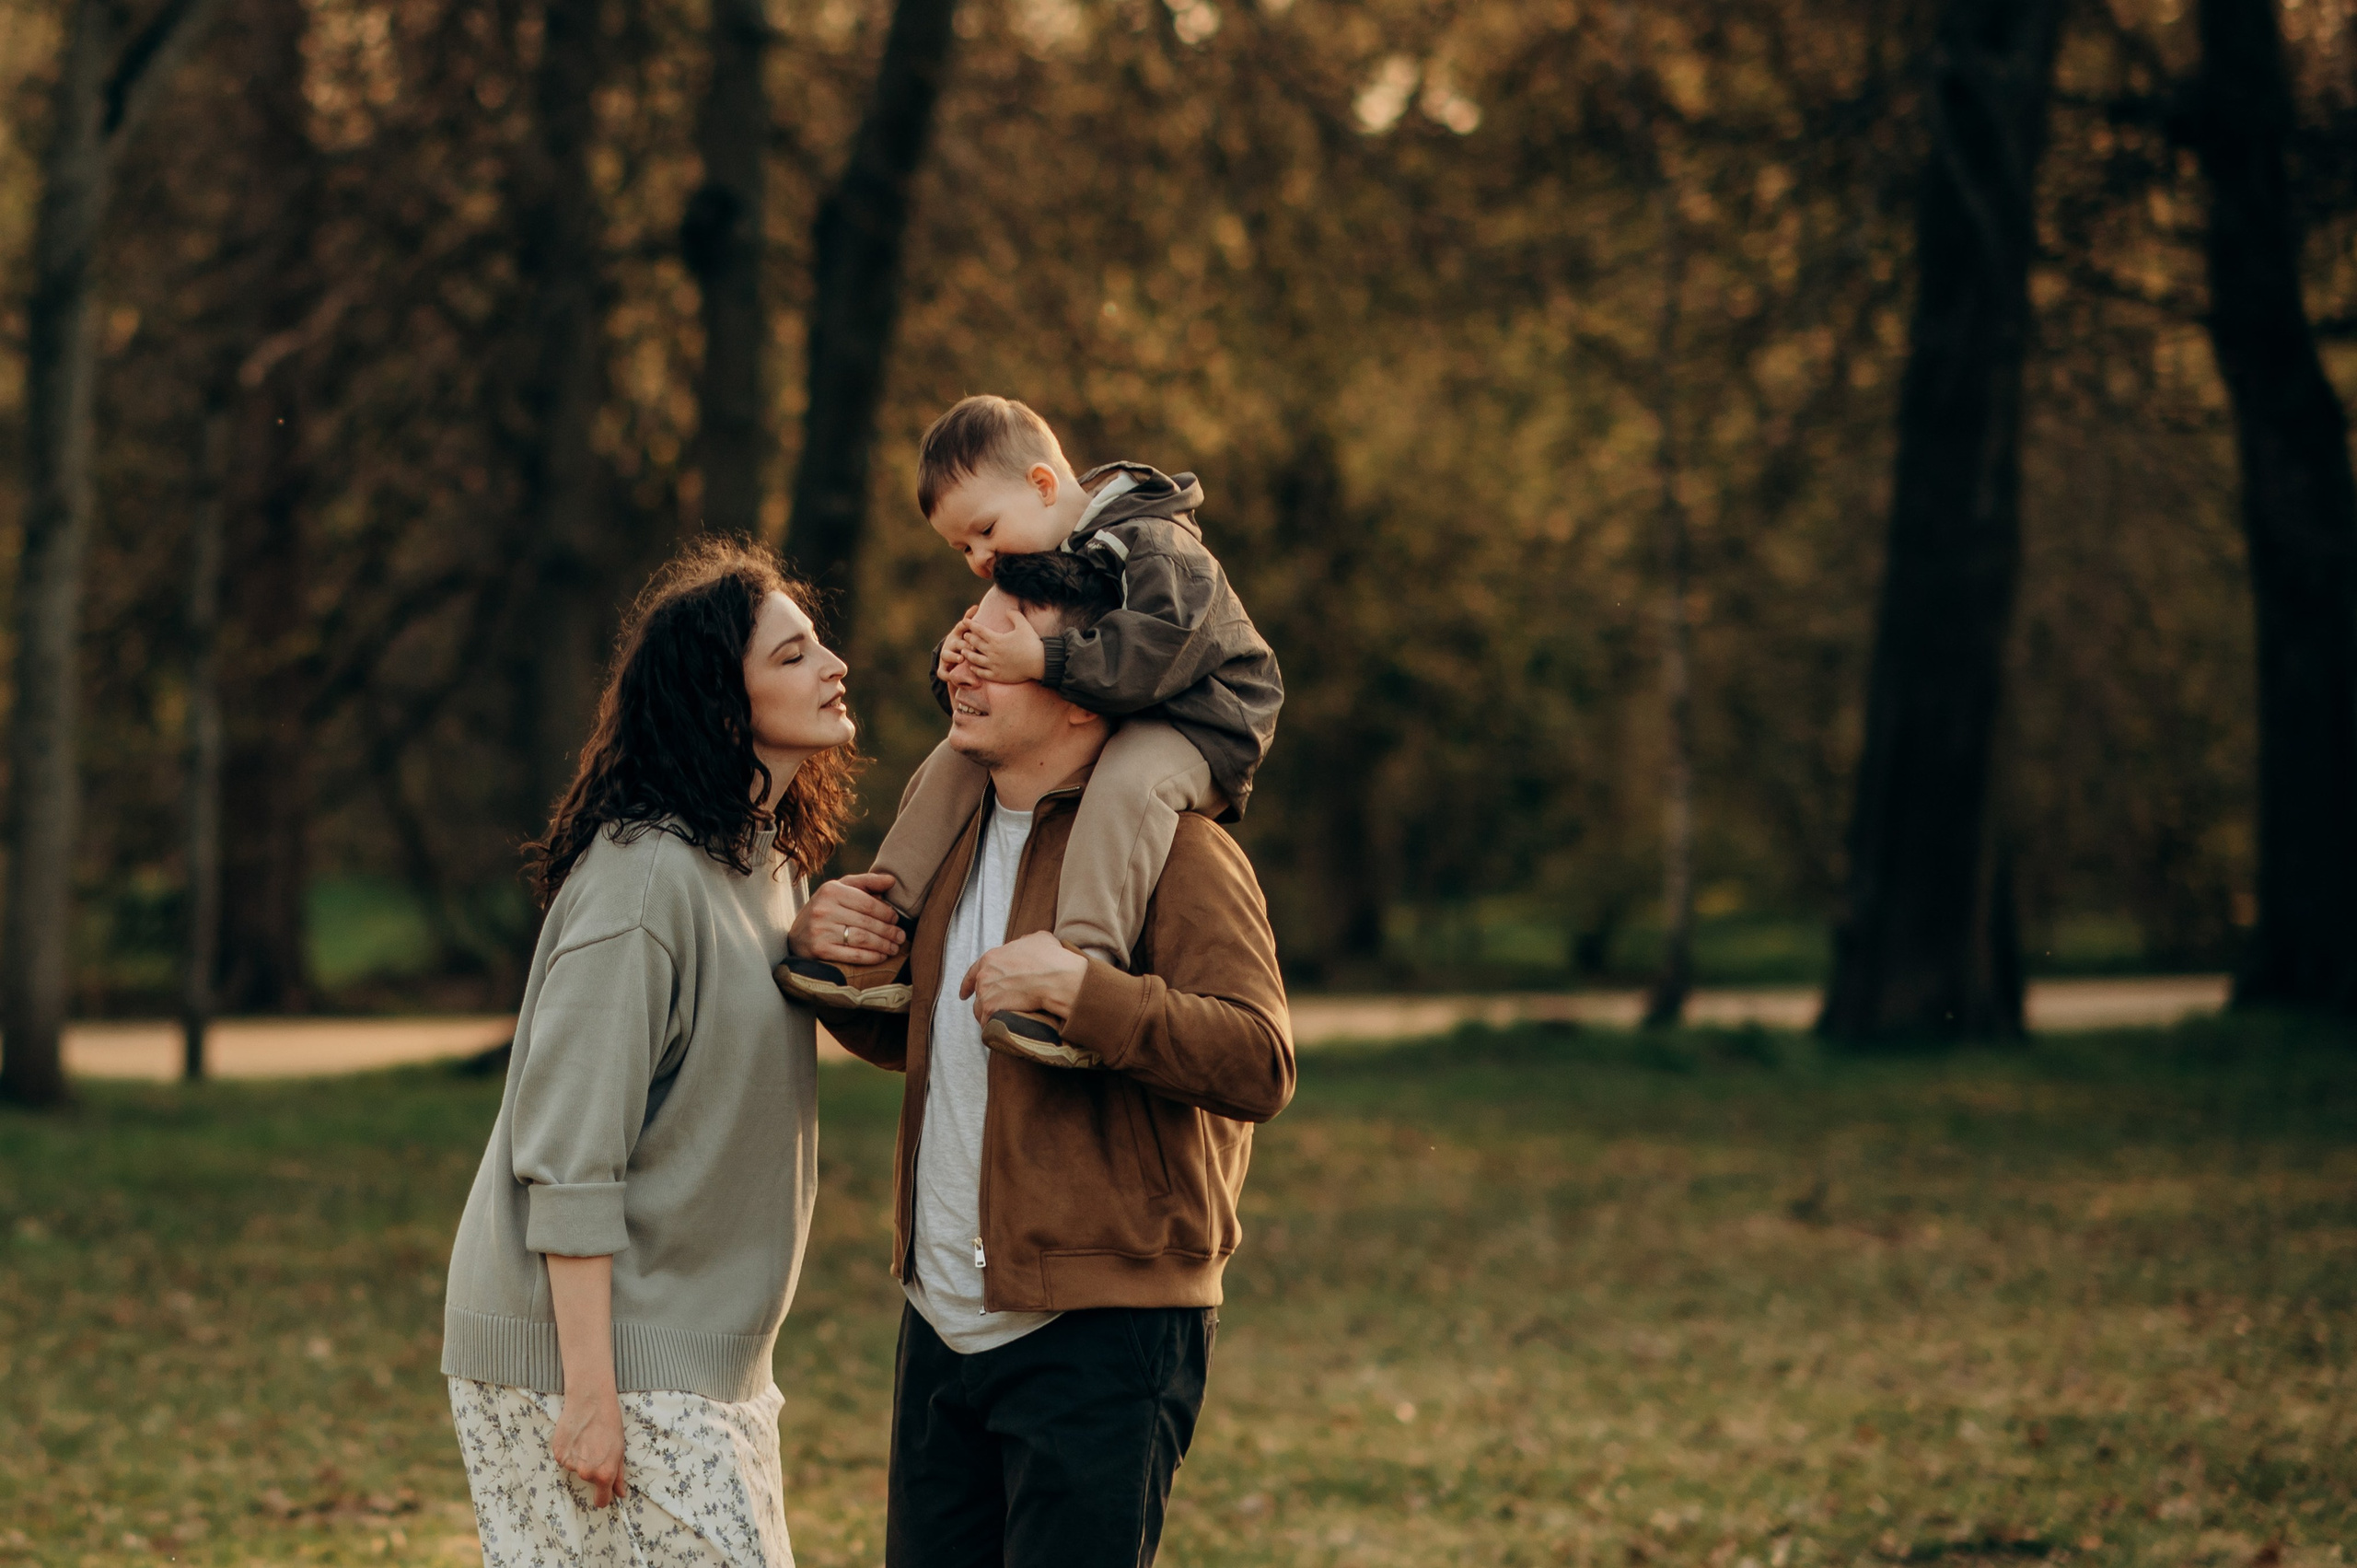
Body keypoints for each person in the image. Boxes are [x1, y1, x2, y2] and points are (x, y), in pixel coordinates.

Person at [785, 552, 1295, 1568]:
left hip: (1101, 1330)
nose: (959, 674)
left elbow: (1258, 1060)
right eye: (958, 651)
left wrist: (1086, 995)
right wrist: (823, 956)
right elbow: (926, 1032)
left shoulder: (1180, 851)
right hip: (942, 1316)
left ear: (1082, 692)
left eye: (994, 654)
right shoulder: (953, 834)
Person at [440, 540, 857, 1567]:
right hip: (592, 1356)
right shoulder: (641, 883)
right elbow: (569, 1156)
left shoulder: (763, 866)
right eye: (795, 655)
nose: (834, 664)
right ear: (724, 707)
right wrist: (589, 1397)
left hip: (705, 1360)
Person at [778, 394, 1283, 1063]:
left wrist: (1042, 658)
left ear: (1043, 485)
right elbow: (1011, 670)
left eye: (984, 531)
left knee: (1130, 783)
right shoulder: (1054, 549)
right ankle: (883, 930)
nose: (980, 559)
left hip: (1204, 711)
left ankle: (1075, 966)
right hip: (1119, 687)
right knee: (953, 757)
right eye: (963, 547)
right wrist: (957, 660)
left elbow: (1157, 652)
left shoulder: (1157, 543)